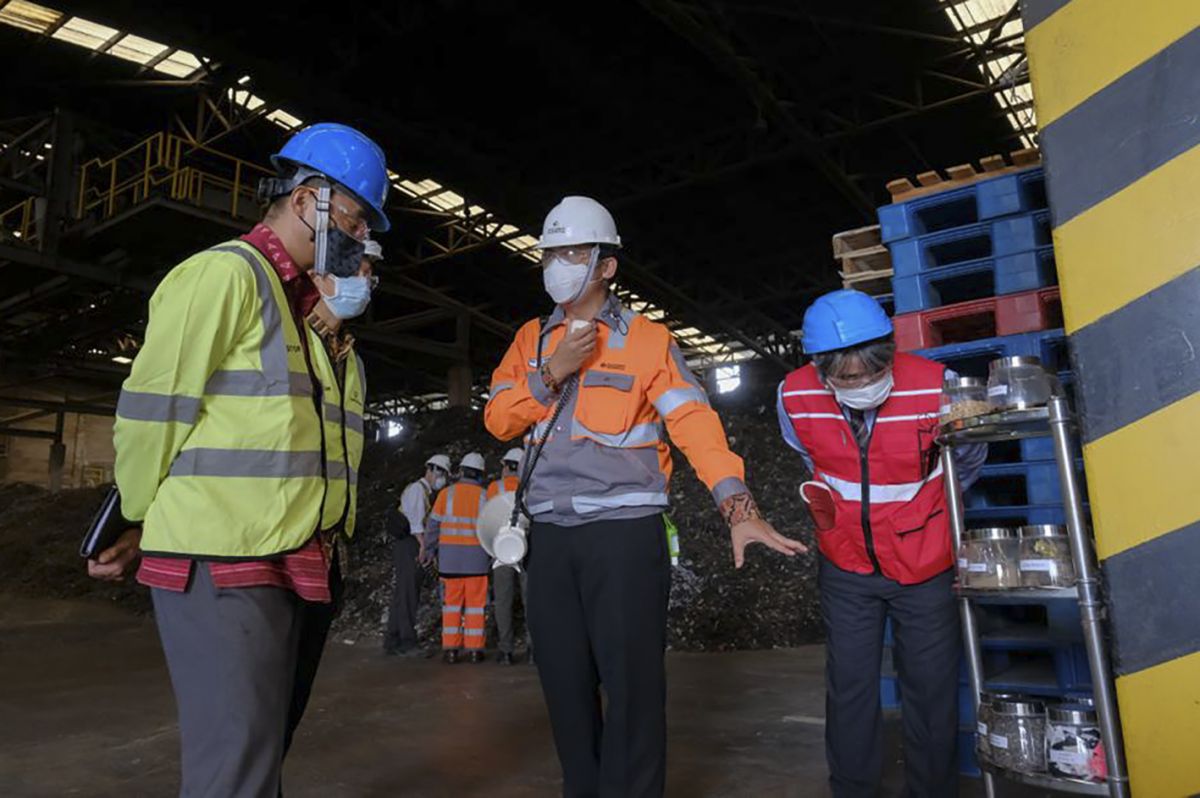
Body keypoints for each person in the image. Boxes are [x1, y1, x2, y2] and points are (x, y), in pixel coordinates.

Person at [89, 122, 390, 798]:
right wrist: (135, 515)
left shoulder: (313, 325)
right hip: (225, 559)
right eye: (356, 216)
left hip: (294, 560)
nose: (363, 237)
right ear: (311, 198)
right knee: (237, 770)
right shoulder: (225, 276)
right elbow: (152, 419)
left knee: (258, 758)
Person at [484, 195, 807, 797]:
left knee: (632, 691)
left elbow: (694, 424)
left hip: (625, 538)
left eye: (573, 253)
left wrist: (738, 506)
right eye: (551, 253)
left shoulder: (650, 342)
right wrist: (552, 369)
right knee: (565, 688)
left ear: (607, 266)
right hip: (548, 540)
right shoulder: (530, 339)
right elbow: (499, 419)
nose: (558, 264)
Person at [776, 289, 987, 798]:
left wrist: (925, 514)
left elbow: (969, 458)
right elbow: (813, 461)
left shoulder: (938, 387)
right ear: (820, 367)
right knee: (849, 689)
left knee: (931, 690)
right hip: (845, 566)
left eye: (873, 372)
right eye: (848, 378)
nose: (864, 383)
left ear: (889, 353)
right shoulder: (793, 396)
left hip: (925, 565)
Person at [426, 452, 491, 664]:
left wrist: (429, 550)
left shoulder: (446, 494)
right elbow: (492, 530)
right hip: (477, 563)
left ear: (461, 471)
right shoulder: (485, 496)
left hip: (449, 563)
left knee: (451, 606)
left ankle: (451, 650)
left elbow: (433, 526)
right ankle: (475, 651)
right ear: (480, 474)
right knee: (475, 607)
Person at [384, 453, 451, 657]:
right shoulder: (416, 490)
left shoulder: (424, 492)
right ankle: (407, 642)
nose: (443, 479)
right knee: (408, 593)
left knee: (404, 592)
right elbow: (415, 525)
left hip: (412, 543)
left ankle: (392, 639)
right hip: (410, 545)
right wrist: (424, 548)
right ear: (432, 470)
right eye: (442, 474)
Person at [487, 447, 528, 665]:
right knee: (531, 601)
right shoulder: (530, 486)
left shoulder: (495, 487)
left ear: (507, 466)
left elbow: (486, 519)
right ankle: (534, 651)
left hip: (501, 550)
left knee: (503, 601)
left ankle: (506, 651)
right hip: (526, 548)